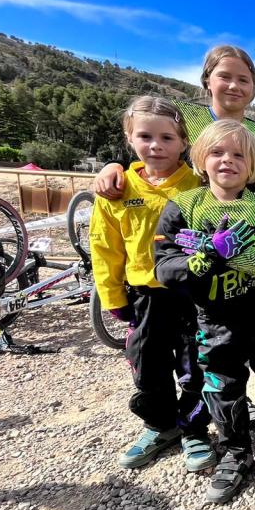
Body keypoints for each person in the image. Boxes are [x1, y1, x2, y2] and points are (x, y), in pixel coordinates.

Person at [154, 119, 255, 503]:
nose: (228, 160)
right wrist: (205, 257)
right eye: (217, 152)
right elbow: (163, 268)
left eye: (239, 155)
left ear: (253, 164)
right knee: (222, 387)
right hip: (214, 319)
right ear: (200, 158)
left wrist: (232, 254)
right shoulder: (184, 206)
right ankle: (235, 452)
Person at [90, 96, 215, 472]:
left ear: (184, 141)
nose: (156, 145)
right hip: (144, 295)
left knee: (195, 364)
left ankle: (194, 429)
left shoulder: (198, 184)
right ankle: (160, 426)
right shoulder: (117, 189)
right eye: (145, 136)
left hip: (191, 293)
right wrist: (112, 295)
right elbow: (104, 247)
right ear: (130, 139)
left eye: (167, 138)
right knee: (147, 364)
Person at [93, 45, 255, 196]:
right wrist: (114, 165)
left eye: (243, 80)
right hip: (172, 212)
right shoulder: (182, 115)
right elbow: (145, 144)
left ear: (253, 87)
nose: (234, 86)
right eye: (224, 76)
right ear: (207, 80)